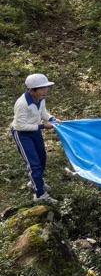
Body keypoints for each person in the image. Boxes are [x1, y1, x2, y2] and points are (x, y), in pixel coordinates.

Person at [11, 73, 60, 204]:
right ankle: (39, 194)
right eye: (42, 88)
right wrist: (43, 126)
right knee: (34, 164)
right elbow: (20, 126)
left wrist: (52, 118)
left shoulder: (40, 98)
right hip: (22, 134)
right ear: (31, 90)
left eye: (46, 87)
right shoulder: (22, 104)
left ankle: (35, 181)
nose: (45, 91)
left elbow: (43, 112)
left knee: (42, 158)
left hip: (35, 131)